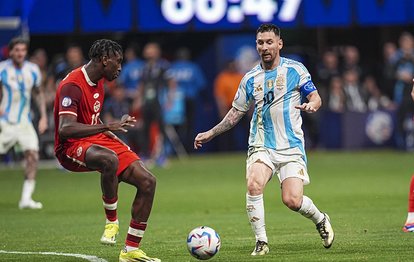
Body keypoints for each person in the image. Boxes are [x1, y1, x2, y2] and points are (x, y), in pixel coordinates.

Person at [194, 24, 334, 256]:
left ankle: (320, 219)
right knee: (254, 183)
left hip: (291, 145)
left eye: (270, 42)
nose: (265, 47)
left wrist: (312, 105)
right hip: (261, 143)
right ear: (256, 46)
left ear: (279, 44)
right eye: (260, 43)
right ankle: (261, 241)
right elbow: (236, 112)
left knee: (292, 200)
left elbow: (315, 96)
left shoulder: (295, 70)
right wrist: (211, 132)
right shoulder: (250, 78)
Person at [53, 39, 160, 262]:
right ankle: (112, 222)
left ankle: (130, 251)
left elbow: (90, 117)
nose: (120, 67)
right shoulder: (72, 85)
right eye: (118, 62)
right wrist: (106, 126)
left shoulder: (99, 81)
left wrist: (109, 131)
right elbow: (65, 129)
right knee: (109, 160)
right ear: (104, 60)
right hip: (70, 146)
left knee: (148, 181)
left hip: (95, 138)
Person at [0, 37, 48, 209]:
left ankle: (26, 199)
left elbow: (38, 93)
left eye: (23, 50)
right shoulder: (2, 69)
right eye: (17, 50)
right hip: (5, 122)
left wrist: (43, 116)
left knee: (33, 156)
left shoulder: (32, 70)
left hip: (24, 122)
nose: (20, 53)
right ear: (11, 52)